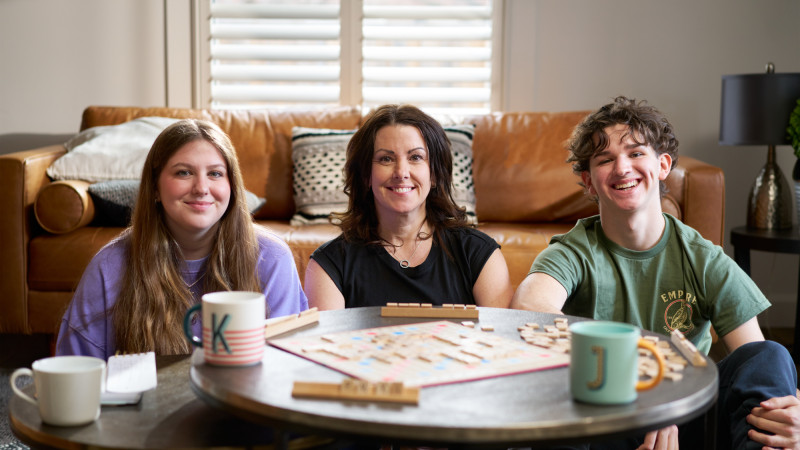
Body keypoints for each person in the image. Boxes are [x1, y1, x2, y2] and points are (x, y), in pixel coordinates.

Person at [511, 96, 800, 449]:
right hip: (604, 418)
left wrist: (789, 412)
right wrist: (625, 371)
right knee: (555, 400)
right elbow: (529, 306)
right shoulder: (575, 250)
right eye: (605, 159)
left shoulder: (703, 259)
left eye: (635, 153)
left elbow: (757, 365)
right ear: (588, 182)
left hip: (684, 419)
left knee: (771, 355)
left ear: (662, 165)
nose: (622, 168)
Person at [56, 119, 308, 360]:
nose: (201, 188)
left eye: (215, 173)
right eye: (184, 172)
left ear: (232, 186)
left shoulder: (272, 258)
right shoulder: (109, 266)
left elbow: (286, 366)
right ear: (155, 187)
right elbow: (79, 369)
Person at [305, 104, 512, 310]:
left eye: (415, 157)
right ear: (366, 175)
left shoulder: (479, 254)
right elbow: (329, 333)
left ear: (434, 174)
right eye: (386, 159)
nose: (401, 172)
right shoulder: (330, 264)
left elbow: (501, 330)